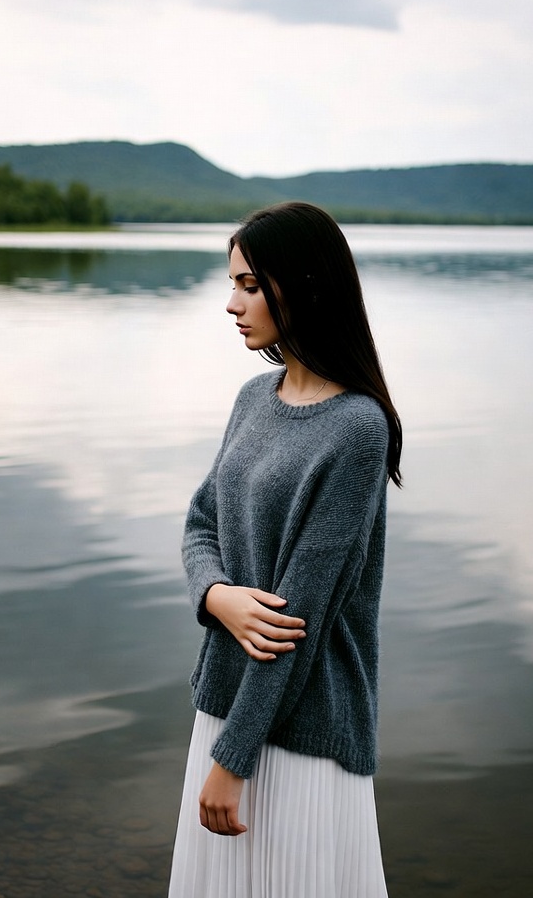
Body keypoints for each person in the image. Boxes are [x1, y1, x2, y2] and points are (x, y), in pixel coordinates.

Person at [168, 201, 402, 898]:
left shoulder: (357, 429)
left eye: (247, 285)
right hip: (225, 702)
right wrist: (218, 599)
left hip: (303, 733)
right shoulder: (252, 397)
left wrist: (232, 761)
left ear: (301, 285)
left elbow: (299, 618)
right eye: (233, 284)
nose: (231, 303)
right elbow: (199, 521)